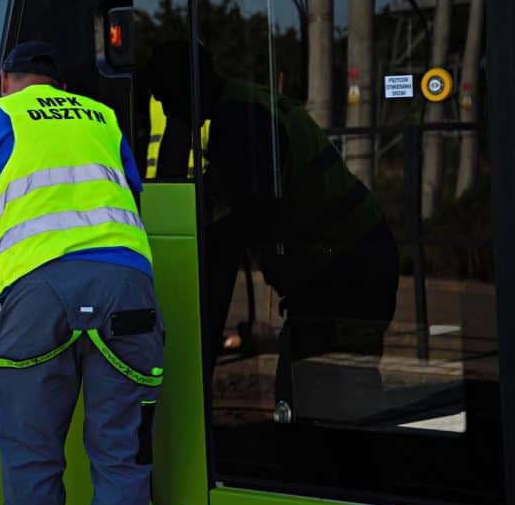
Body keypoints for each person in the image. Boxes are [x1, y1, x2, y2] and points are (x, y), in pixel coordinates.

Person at [0, 41, 164, 505]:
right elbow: (133, 203)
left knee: (32, 460)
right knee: (123, 458)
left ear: (4, 81)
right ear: (63, 88)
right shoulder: (102, 118)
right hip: (128, 291)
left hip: (39, 295)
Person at [150, 41, 399, 423]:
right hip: (355, 259)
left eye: (168, 99)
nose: (167, 111)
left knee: (310, 396)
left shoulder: (238, 122)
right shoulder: (247, 105)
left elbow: (233, 227)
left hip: (343, 270)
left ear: (190, 86)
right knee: (341, 389)